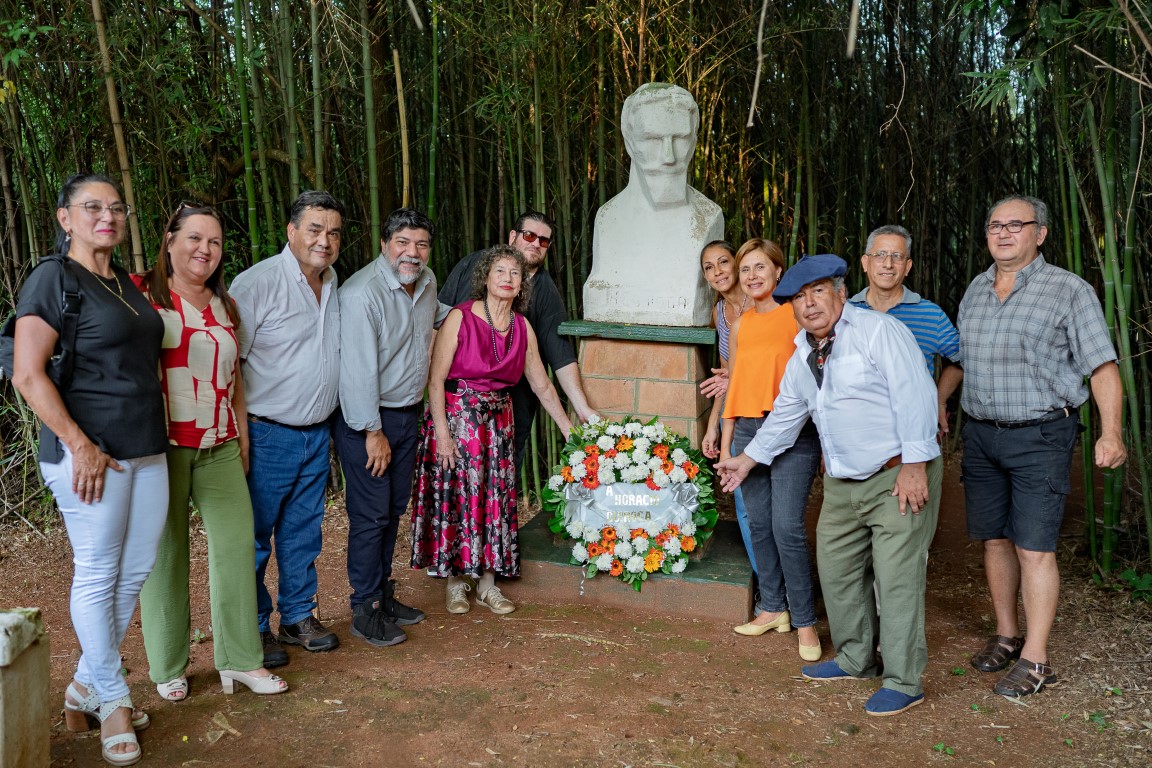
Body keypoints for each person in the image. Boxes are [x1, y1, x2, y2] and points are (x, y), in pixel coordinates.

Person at [716, 254, 942, 717]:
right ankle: (858, 658)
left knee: (896, 579)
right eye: (798, 297)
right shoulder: (804, 351)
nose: (808, 303)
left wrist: (915, 465)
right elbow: (784, 417)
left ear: (841, 292)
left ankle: (903, 679)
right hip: (842, 481)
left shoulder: (879, 332)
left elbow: (915, 394)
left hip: (896, 472)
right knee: (837, 571)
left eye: (817, 291)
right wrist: (746, 460)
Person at [12, 174, 168, 765]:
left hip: (144, 448)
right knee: (100, 573)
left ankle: (84, 684)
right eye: (92, 207)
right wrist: (78, 443)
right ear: (65, 218)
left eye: (116, 207)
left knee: (134, 572)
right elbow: (29, 374)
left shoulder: (126, 283)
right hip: (90, 456)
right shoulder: (53, 278)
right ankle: (114, 700)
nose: (107, 215)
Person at [959, 195, 1126, 697]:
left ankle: (1036, 659)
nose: (1004, 233)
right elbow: (960, 361)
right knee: (993, 538)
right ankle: (1008, 635)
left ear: (1042, 233)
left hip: (1041, 434)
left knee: (1034, 547)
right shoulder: (976, 288)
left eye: (1016, 224)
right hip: (982, 432)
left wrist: (1111, 431)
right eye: (994, 225)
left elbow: (1102, 367)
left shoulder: (1069, 291)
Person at [136, 204, 287, 700]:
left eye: (215, 242)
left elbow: (235, 378)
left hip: (219, 444)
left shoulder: (226, 305)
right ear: (170, 239)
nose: (205, 249)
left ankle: (240, 660)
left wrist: (242, 436)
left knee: (236, 546)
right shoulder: (142, 298)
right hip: (162, 446)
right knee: (166, 554)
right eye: (195, 238)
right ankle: (167, 666)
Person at [411, 245, 573, 615]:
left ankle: (487, 584)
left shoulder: (523, 326)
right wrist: (442, 434)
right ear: (486, 277)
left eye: (515, 274)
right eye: (500, 271)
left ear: (521, 285)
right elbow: (434, 381)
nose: (507, 278)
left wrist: (567, 428)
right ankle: (455, 583)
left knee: (494, 499)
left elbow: (542, 385)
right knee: (459, 497)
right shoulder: (459, 317)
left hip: (499, 422)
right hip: (458, 418)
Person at [229, 191, 344, 667]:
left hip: (318, 433)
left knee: (303, 533)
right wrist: (240, 435)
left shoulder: (336, 281)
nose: (325, 241)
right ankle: (253, 628)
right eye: (314, 229)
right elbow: (230, 362)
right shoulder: (256, 284)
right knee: (254, 536)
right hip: (266, 432)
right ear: (291, 231)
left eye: (334, 232)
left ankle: (297, 617)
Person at [334, 208, 448, 647]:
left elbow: (438, 313)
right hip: (369, 422)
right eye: (402, 243)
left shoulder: (427, 281)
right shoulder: (362, 294)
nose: (412, 253)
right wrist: (372, 431)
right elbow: (358, 371)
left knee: (393, 511)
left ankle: (383, 593)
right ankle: (364, 608)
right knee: (370, 517)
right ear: (384, 245)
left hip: (407, 415)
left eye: (421, 244)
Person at [719, 239, 821, 660]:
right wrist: (726, 444)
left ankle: (805, 621)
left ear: (779, 272)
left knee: (786, 526)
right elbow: (735, 383)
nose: (752, 276)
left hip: (792, 431)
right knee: (758, 524)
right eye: (746, 269)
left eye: (761, 267)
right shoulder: (742, 323)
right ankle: (772, 607)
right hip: (746, 429)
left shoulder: (795, 315)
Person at [438, 211, 597, 466]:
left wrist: (581, 409)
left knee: (501, 479)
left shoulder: (543, 296)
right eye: (530, 235)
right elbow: (437, 323)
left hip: (511, 405)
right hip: (457, 406)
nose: (536, 243)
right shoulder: (472, 266)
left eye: (543, 241)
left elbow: (559, 357)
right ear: (513, 236)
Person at [583, 83, 724, 326]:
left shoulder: (709, 217)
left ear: (693, 140)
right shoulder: (607, 220)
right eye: (652, 139)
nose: (669, 157)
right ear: (629, 141)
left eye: (679, 138)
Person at [848, 224, 963, 432]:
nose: (888, 264)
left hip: (913, 431)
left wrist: (938, 399)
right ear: (866, 262)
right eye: (880, 254)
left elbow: (961, 359)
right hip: (855, 430)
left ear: (907, 266)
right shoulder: (845, 313)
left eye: (897, 256)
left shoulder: (931, 314)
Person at [697, 240, 757, 578]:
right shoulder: (719, 312)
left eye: (723, 262)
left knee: (766, 503)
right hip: (734, 409)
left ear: (738, 264)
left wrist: (734, 375)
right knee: (743, 502)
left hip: (764, 410)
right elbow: (724, 372)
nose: (718, 271)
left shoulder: (763, 303)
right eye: (709, 267)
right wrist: (714, 425)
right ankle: (766, 585)